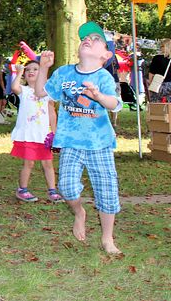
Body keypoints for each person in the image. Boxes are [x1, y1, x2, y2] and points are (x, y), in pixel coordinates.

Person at [35, 21, 124, 255]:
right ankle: (79, 213)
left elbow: (115, 104)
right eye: (86, 38)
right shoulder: (64, 73)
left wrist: (98, 96)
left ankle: (107, 238)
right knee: (66, 187)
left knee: (106, 191)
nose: (88, 40)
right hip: (70, 142)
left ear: (105, 54)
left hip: (99, 144)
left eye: (96, 39)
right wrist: (44, 67)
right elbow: (41, 91)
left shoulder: (103, 77)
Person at [9, 61, 62, 203]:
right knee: (29, 163)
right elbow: (14, 87)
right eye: (28, 70)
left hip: (42, 135)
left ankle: (52, 191)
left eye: (35, 69)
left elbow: (52, 113)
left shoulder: (47, 94)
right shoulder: (24, 91)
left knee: (48, 163)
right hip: (27, 135)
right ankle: (22, 189)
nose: (31, 71)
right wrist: (19, 71)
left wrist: (55, 132)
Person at [147, 38, 171, 103]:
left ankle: (157, 113)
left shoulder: (157, 58)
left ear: (165, 47)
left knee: (156, 103)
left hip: (158, 83)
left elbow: (151, 73)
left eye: (162, 46)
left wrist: (151, 83)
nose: (160, 47)